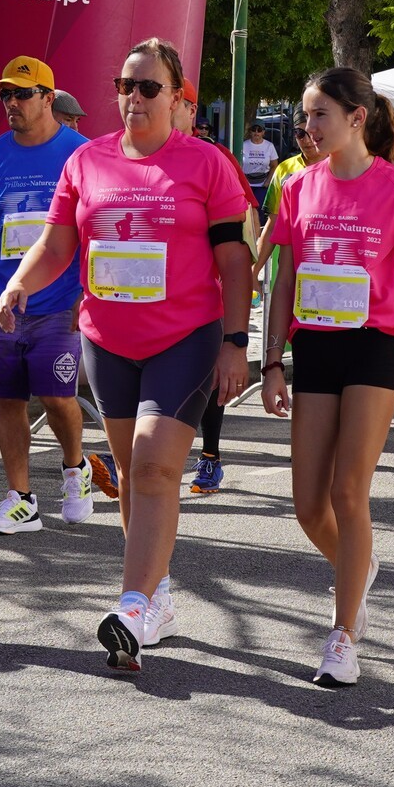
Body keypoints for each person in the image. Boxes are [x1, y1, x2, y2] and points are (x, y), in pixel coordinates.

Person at [0, 37, 253, 672]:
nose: (133, 97)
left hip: (185, 336)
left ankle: (133, 605)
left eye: (148, 87)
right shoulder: (87, 161)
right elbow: (57, 245)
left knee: (155, 468)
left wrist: (236, 342)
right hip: (107, 340)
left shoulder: (206, 164)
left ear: (176, 95)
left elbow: (233, 260)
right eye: (124, 85)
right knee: (133, 474)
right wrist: (19, 282)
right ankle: (156, 596)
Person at [261, 67, 394, 686]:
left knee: (349, 493)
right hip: (315, 348)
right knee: (307, 505)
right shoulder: (298, 187)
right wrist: (271, 362)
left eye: (320, 114)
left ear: (356, 118)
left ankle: (343, 636)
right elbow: (284, 280)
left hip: (373, 346)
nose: (309, 127)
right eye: (305, 115)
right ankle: (359, 564)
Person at [0, 55, 93, 533]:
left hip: (60, 300)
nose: (12, 102)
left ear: (48, 98)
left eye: (22, 94)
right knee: (6, 398)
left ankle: (75, 468)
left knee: (56, 397)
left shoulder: (82, 153)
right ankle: (21, 499)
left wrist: (87, 293)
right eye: (6, 95)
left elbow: (95, 229)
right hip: (2, 301)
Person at [175, 77, 255, 495]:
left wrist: (243, 272)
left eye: (177, 101)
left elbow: (248, 215)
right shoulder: (133, 154)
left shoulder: (215, 156)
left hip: (209, 289)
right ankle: (134, 457)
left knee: (209, 376)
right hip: (155, 295)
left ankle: (210, 456)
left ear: (189, 110)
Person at [241, 121, 278, 215]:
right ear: (250, 131)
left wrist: (268, 181)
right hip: (247, 184)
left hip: (262, 184)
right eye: (254, 130)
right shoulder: (244, 145)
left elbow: (274, 165)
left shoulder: (269, 146)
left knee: (260, 210)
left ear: (263, 132)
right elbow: (238, 165)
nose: (256, 132)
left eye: (259, 130)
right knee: (247, 210)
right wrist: (242, 181)